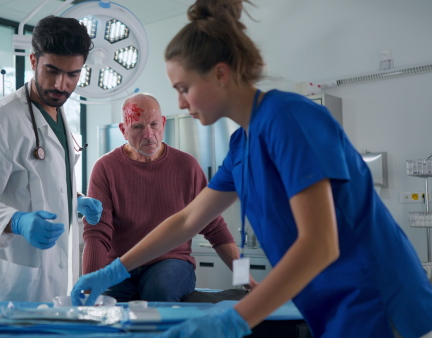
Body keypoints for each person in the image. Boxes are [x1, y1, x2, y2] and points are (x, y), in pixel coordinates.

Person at [71, 1, 432, 337]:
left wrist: (235, 318)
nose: (180, 103)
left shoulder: (290, 119)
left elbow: (320, 244)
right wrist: (111, 272)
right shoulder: (243, 145)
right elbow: (187, 221)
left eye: (184, 88)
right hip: (332, 304)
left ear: (220, 74)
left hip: (379, 298)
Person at [0, 15, 102, 303]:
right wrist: (16, 221)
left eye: (73, 74)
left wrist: (75, 200)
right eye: (52, 71)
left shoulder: (58, 112)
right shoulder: (3, 119)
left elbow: (40, 181)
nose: (61, 85)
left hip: (54, 273)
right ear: (33, 61)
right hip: (14, 279)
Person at [82, 93, 257, 303]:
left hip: (171, 262)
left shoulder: (186, 166)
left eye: (154, 124)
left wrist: (247, 280)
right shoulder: (106, 168)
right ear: (123, 130)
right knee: (104, 302)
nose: (149, 134)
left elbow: (216, 227)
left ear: (163, 123)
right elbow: (96, 232)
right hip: (120, 265)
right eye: (137, 126)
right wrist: (88, 288)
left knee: (159, 292)